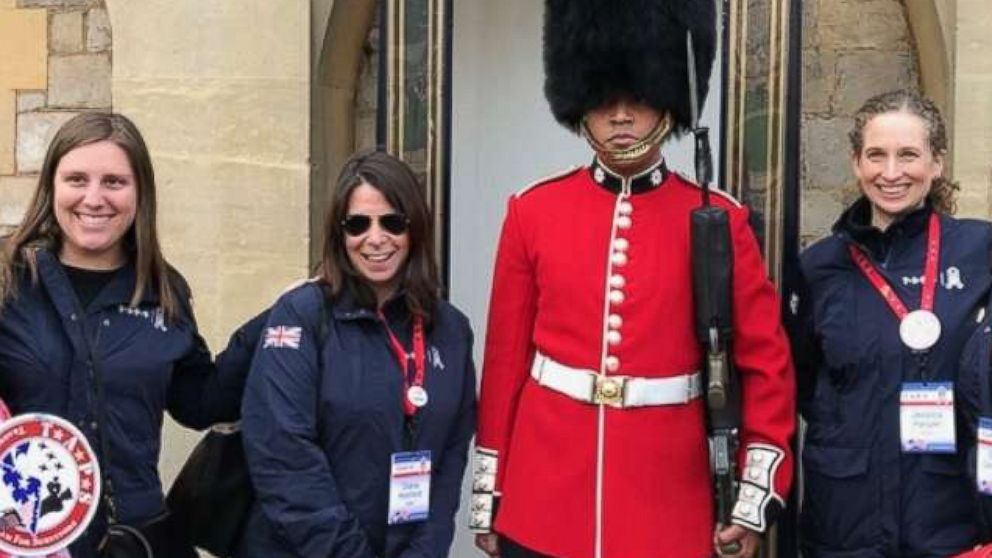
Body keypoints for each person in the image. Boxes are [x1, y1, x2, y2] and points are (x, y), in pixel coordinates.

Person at [469, 1, 796, 557]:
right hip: (544, 497)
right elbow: (505, 365)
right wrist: (491, 492)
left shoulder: (720, 218)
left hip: (669, 501)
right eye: (603, 100)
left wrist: (752, 497)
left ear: (666, 104)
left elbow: (766, 366)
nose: (621, 116)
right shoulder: (533, 211)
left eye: (639, 99)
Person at [0, 112, 248, 556]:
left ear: (140, 194)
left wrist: (277, 322)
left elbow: (200, 401)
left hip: (133, 538)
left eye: (114, 182)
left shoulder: (162, 289)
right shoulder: (8, 280)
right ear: (52, 186)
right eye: (76, 179)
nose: (93, 198)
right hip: (27, 540)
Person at [238, 150, 477, 557]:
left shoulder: (451, 328)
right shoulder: (302, 313)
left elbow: (451, 456)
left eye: (392, 222)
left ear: (415, 228)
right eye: (358, 224)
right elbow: (284, 454)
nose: (376, 238)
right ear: (340, 234)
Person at [790, 89, 992, 557]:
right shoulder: (819, 268)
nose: (891, 172)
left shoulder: (980, 253)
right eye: (876, 155)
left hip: (950, 526)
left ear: (937, 163)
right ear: (856, 162)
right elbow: (802, 387)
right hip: (845, 522)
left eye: (909, 155)